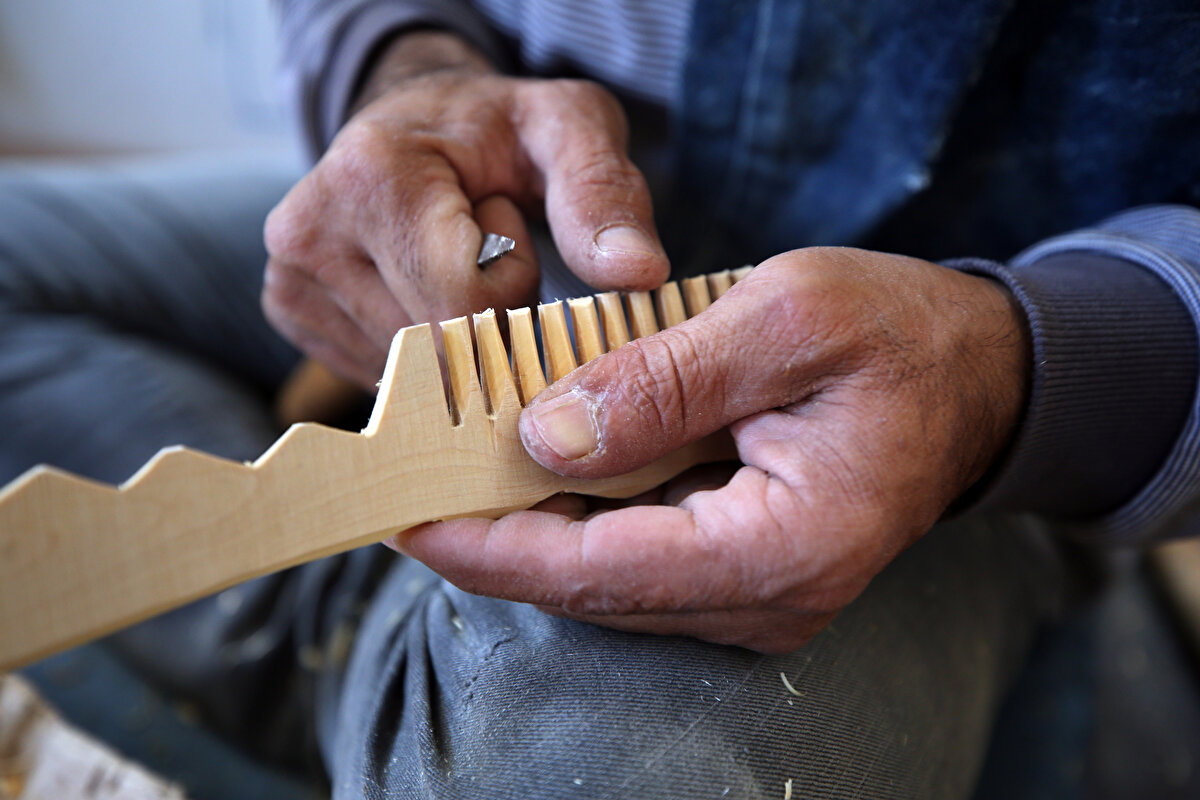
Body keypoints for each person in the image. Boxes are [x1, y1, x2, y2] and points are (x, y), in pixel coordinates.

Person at [1, 0, 1197, 797]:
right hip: (516, 262)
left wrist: (1009, 375)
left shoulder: (991, 387)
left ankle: (412, 661)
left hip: (972, 421)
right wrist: (411, 69)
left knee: (576, 773)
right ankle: (383, 645)